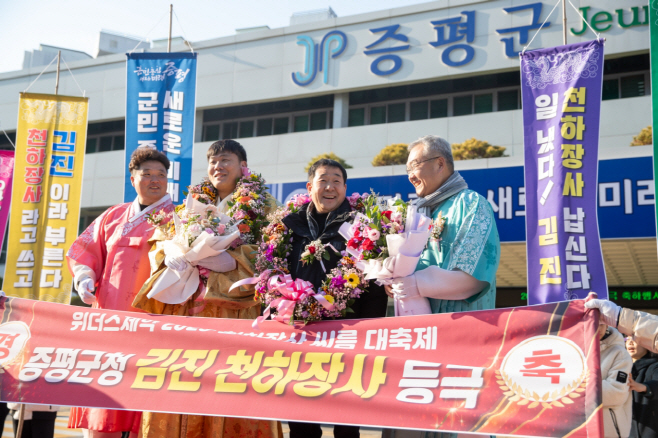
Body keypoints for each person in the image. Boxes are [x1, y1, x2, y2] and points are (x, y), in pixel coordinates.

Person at [132, 139, 281, 438]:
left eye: (225, 160)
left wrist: (233, 260)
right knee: (184, 373)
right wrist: (170, 251)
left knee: (230, 379)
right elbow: (163, 239)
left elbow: (274, 250)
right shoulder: (193, 201)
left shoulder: (265, 205)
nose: (218, 166)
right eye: (213, 161)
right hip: (188, 303)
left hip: (234, 308)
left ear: (243, 166)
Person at [66, 147, 174, 438]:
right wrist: (85, 276)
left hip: (154, 326)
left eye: (161, 175)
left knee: (147, 407)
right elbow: (83, 250)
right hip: (109, 324)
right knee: (104, 405)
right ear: (132, 179)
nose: (155, 180)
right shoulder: (113, 215)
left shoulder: (180, 218)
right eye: (147, 174)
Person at [281, 158, 388, 438]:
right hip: (301, 337)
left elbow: (375, 284)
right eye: (323, 180)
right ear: (309, 186)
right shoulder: (289, 227)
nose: (330, 187)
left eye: (336, 181)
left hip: (348, 336)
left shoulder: (362, 227)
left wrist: (370, 332)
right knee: (301, 422)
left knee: (345, 422)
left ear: (345, 187)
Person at [386, 135, 500, 314]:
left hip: (464, 330)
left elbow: (472, 279)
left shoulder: (471, 203)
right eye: (407, 169)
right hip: (422, 335)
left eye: (414, 166)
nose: (410, 176)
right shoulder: (416, 213)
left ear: (440, 164)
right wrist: (393, 281)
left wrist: (414, 284)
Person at [599, 322, 633, 438]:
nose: (597, 328)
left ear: (607, 326)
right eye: (591, 323)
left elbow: (616, 393)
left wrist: (578, 387)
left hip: (607, 430)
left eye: (600, 324)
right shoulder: (568, 350)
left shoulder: (619, 353)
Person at [585, 299, 658, 354]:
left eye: (601, 324)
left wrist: (619, 316)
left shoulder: (618, 354)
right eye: (627, 339)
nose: (630, 342)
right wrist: (619, 317)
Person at [625, 337, 658, 438]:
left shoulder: (655, 366)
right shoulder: (620, 367)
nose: (630, 342)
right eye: (627, 338)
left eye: (635, 338)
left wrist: (644, 387)